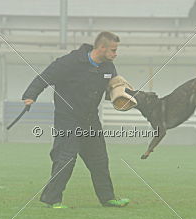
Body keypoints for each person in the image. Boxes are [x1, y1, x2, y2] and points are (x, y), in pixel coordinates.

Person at [22, 32, 130, 209]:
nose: (115, 54)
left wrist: (122, 92)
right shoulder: (70, 62)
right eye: (113, 50)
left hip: (90, 119)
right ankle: (52, 199)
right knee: (66, 158)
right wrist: (30, 95)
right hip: (68, 119)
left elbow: (112, 91)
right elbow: (45, 77)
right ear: (101, 47)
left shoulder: (108, 68)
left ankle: (108, 198)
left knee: (100, 160)